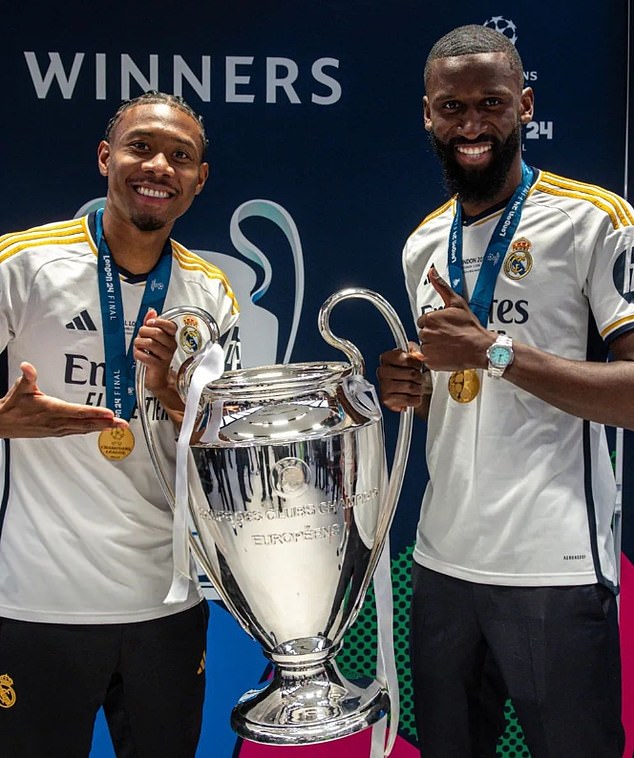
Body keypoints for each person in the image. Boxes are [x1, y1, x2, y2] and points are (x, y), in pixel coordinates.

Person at [377, 25, 633, 758]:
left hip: (553, 566)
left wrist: (493, 349)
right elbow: (457, 395)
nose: (471, 125)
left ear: (524, 104)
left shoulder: (593, 219)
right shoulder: (423, 241)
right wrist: (412, 386)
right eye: (451, 108)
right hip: (442, 564)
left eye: (490, 103)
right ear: (427, 115)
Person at [0, 92, 240, 756]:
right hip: (38, 605)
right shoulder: (23, 264)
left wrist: (169, 394)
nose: (159, 166)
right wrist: (2, 421)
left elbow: (223, 450)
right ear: (107, 157)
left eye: (181, 156)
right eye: (141, 147)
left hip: (165, 607)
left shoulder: (210, 291)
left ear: (199, 179)